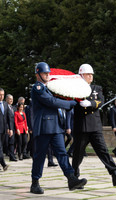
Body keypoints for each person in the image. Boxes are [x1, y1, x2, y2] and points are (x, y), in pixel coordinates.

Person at [30, 62, 86, 194]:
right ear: (38, 75)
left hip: (55, 127)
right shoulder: (37, 88)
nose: (48, 75)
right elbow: (52, 102)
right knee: (39, 156)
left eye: (48, 73)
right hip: (44, 127)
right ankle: (35, 183)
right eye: (45, 73)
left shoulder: (49, 89)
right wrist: (72, 103)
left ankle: (71, 179)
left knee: (62, 154)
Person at [72, 64, 116, 188]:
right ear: (81, 75)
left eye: (91, 74)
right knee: (78, 154)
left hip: (95, 126)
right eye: (88, 74)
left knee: (103, 151)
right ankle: (74, 177)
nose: (91, 76)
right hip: (81, 127)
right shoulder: (74, 89)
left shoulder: (96, 88)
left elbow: (101, 101)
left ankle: (115, 174)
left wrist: (91, 103)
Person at [5, 94, 17, 161]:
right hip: (8, 128)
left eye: (12, 99)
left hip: (13, 127)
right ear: (6, 99)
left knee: (12, 142)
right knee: (6, 142)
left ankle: (12, 156)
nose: (11, 100)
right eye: (10, 99)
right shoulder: (5, 107)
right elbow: (5, 119)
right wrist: (7, 128)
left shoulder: (13, 108)